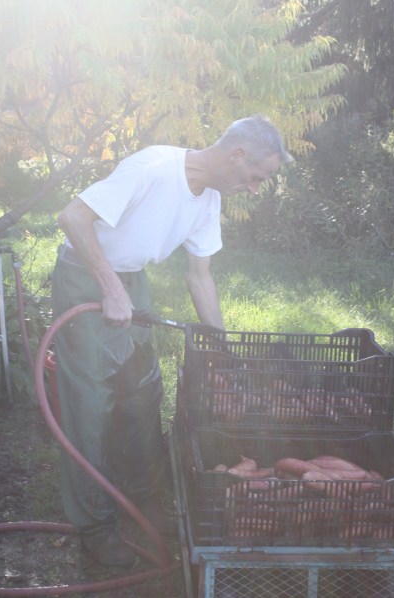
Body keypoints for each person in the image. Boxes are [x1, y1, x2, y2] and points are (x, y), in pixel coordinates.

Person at [51, 114, 293, 567]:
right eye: (256, 177)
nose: (256, 188)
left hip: (130, 282)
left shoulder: (208, 202)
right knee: (89, 407)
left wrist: (225, 352)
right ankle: (96, 528)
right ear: (236, 154)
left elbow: (200, 277)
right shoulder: (152, 169)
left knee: (142, 397)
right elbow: (73, 216)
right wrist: (109, 286)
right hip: (86, 277)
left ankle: (145, 502)